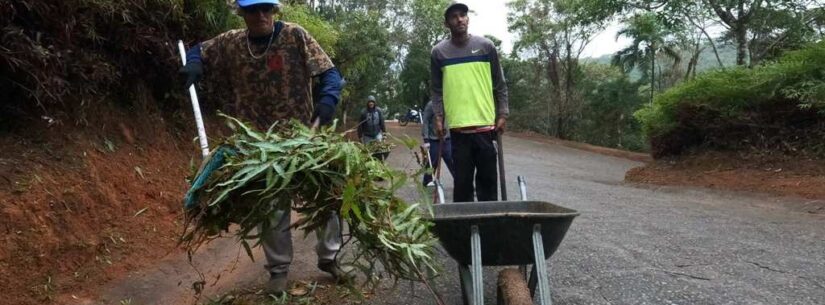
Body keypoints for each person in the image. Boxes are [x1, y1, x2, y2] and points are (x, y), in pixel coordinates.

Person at [178, 0, 346, 295]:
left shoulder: (295, 35)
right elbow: (198, 50)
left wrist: (328, 100)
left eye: (266, 8)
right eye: (253, 10)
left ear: (274, 10)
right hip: (258, 144)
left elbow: (330, 74)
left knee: (326, 196)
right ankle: (279, 271)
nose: (261, 15)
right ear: (241, 13)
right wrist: (193, 64)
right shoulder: (231, 43)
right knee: (272, 206)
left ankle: (329, 257)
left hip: (303, 137)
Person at [430, 2, 509, 203]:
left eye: (463, 15)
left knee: (488, 184)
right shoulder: (439, 53)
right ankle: (464, 231)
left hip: (485, 127)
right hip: (459, 132)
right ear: (446, 23)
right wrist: (438, 117)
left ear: (468, 19)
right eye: (454, 17)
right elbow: (437, 90)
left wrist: (502, 113)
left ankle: (489, 228)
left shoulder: (486, 46)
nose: (459, 19)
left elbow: (499, 84)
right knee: (462, 186)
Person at [421, 100, 454, 187]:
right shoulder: (431, 105)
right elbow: (425, 121)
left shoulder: (450, 102)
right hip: (434, 139)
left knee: (452, 160)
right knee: (432, 162)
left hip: (447, 139)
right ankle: (427, 182)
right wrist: (426, 139)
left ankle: (460, 182)